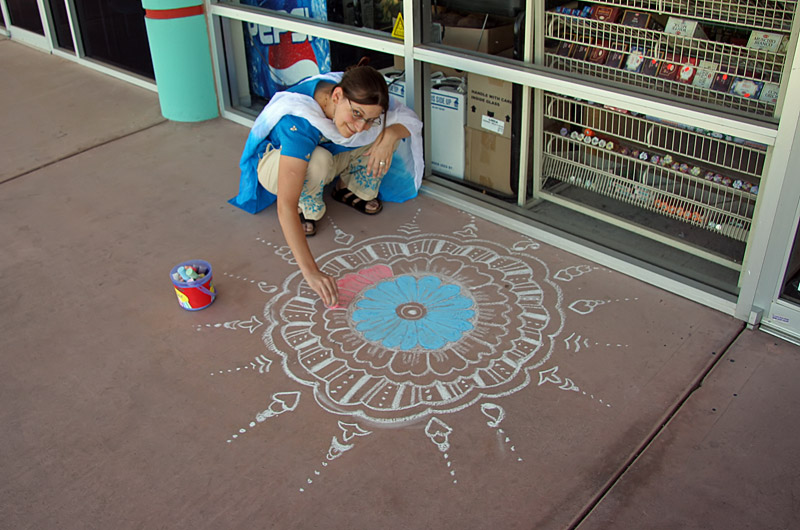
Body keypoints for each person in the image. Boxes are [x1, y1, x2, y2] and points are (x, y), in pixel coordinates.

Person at [229, 64, 423, 308]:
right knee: (317, 161)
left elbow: (409, 120)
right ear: (337, 96)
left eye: (370, 120)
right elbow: (284, 207)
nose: (361, 126)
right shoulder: (299, 120)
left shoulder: (359, 94)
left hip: (326, 156)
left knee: (385, 133)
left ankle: (348, 188)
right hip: (278, 165)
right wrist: (311, 272)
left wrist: (390, 134)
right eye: (357, 115)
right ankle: (308, 206)